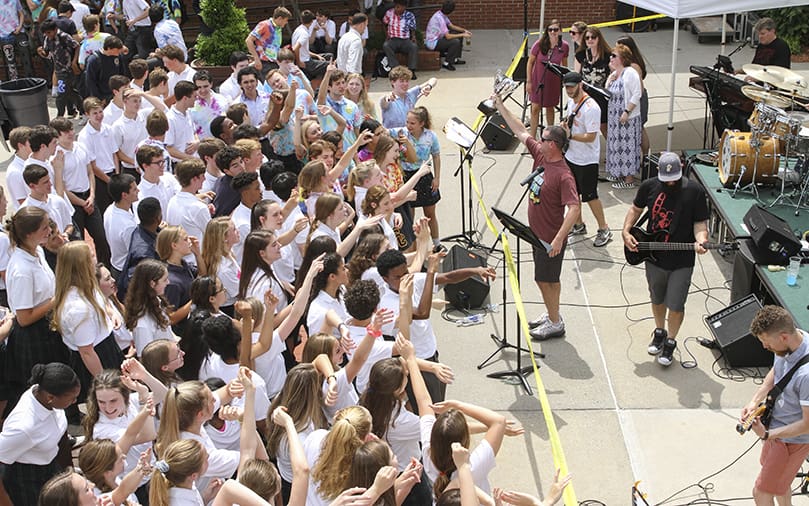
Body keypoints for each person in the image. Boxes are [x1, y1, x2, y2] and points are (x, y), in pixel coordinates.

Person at [492, 96, 580, 341]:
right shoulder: (541, 156)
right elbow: (520, 130)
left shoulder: (563, 175)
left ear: (554, 145)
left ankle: (555, 322)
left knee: (546, 279)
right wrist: (500, 105)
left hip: (550, 238)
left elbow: (574, 208)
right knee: (543, 279)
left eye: (543, 138)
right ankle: (552, 314)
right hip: (536, 233)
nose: (538, 140)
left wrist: (559, 239)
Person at [621, 152, 709, 367]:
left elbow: (700, 223)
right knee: (657, 298)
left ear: (681, 167)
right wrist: (626, 232)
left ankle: (671, 341)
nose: (670, 182)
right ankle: (659, 330)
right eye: (666, 178)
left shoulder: (694, 192)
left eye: (674, 177)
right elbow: (635, 208)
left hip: (682, 259)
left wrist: (701, 239)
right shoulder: (649, 186)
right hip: (653, 255)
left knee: (677, 304)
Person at [742, 305, 809, 506]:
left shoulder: (807, 375)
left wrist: (767, 435)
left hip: (791, 442)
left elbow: (807, 424)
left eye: (766, 342)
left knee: (761, 493)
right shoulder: (787, 345)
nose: (765, 347)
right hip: (776, 434)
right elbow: (777, 372)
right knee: (780, 486)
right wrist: (754, 401)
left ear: (783, 337)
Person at [3, 208, 67, 409]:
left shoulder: (38, 251)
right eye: (45, 227)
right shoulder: (22, 269)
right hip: (33, 337)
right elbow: (23, 318)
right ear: (29, 234)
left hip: (48, 329)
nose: (50, 230)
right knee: (42, 391)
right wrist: (56, 299)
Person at [0, 363, 80, 506]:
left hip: (51, 466)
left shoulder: (45, 396)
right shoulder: (23, 428)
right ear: (50, 397)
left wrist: (69, 474)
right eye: (72, 398)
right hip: (26, 481)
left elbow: (61, 437)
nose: (75, 402)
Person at [53, 242, 125, 399]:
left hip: (107, 348)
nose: (95, 258)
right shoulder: (78, 309)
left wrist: (110, 312)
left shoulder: (87, 284)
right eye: (91, 256)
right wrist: (105, 383)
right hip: (98, 358)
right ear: (82, 265)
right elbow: (86, 352)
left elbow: (100, 300)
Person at [559, 72, 611, 247]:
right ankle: (579, 224)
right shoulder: (570, 101)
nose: (569, 90)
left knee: (590, 196)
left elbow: (590, 136)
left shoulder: (592, 108)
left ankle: (604, 228)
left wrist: (570, 136)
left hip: (587, 160)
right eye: (566, 87)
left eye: (572, 86)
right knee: (573, 195)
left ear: (580, 85)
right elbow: (569, 121)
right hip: (571, 156)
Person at [51, 117, 111, 265]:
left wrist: (91, 195)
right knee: (79, 244)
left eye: (71, 129)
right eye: (66, 132)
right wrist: (82, 202)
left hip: (89, 197)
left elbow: (90, 172)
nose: (71, 133)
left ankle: (105, 269)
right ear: (57, 135)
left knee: (102, 238)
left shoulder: (81, 147)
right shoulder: (56, 157)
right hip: (73, 203)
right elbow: (62, 188)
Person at [605, 44, 642, 189]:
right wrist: (611, 78)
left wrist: (627, 111)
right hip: (614, 117)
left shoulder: (630, 72)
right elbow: (607, 91)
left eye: (614, 56)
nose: (611, 58)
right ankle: (618, 172)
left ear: (622, 58)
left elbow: (637, 93)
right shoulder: (615, 75)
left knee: (627, 146)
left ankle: (629, 179)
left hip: (627, 116)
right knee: (616, 145)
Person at [527, 19, 568, 138]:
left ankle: (550, 136)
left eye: (555, 29)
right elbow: (530, 63)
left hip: (553, 82)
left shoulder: (564, 46)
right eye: (550, 29)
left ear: (560, 31)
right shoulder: (539, 44)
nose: (553, 32)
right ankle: (532, 138)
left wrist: (564, 80)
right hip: (538, 80)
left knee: (550, 108)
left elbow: (564, 65)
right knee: (535, 109)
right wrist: (529, 81)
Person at [124, 259, 175, 355]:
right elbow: (146, 358)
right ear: (152, 284)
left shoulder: (157, 301)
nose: (168, 282)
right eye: (164, 280)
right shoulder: (142, 324)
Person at [37, 18, 82, 119]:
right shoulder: (47, 39)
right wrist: (41, 52)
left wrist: (74, 62)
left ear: (55, 29)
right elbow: (47, 53)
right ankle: (81, 109)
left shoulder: (64, 37)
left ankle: (60, 116)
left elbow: (77, 46)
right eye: (46, 33)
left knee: (62, 93)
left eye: (49, 32)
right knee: (67, 91)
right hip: (58, 70)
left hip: (68, 70)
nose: (48, 35)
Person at [574, 26, 610, 135]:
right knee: (584, 126)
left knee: (603, 126)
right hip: (586, 96)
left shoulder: (607, 55)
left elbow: (614, 73)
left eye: (593, 37)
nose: (590, 40)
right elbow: (577, 76)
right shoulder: (580, 55)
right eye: (587, 38)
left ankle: (611, 150)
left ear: (599, 38)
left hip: (602, 96)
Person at [103, 173, 140, 280]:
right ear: (124, 195)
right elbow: (135, 253)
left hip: (116, 265)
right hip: (127, 272)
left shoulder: (110, 209)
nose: (138, 191)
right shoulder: (128, 227)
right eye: (134, 189)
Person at [425, 0, 471, 71]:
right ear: (451, 11)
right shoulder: (440, 19)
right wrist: (463, 35)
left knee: (457, 33)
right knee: (455, 42)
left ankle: (454, 59)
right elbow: (448, 36)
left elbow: (451, 26)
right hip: (432, 43)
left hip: (438, 38)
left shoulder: (441, 14)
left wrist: (464, 31)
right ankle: (447, 63)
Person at [83, 35, 128, 104]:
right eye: (116, 50)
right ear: (109, 48)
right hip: (102, 95)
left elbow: (122, 74)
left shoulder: (118, 57)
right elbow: (90, 81)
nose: (119, 52)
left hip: (115, 94)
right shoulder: (94, 60)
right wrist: (99, 98)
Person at [246, 6, 292, 72]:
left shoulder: (278, 28)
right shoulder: (264, 25)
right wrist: (256, 59)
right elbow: (249, 40)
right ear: (280, 18)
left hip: (274, 62)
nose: (286, 22)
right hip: (264, 62)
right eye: (286, 20)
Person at [382, 0, 418, 78]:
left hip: (405, 40)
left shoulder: (409, 15)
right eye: (395, 6)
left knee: (414, 47)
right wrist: (387, 35)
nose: (396, 9)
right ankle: (396, 69)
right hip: (393, 39)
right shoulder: (389, 13)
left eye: (398, 7)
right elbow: (384, 24)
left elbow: (412, 28)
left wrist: (413, 37)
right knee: (386, 45)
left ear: (404, 7)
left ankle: (412, 70)